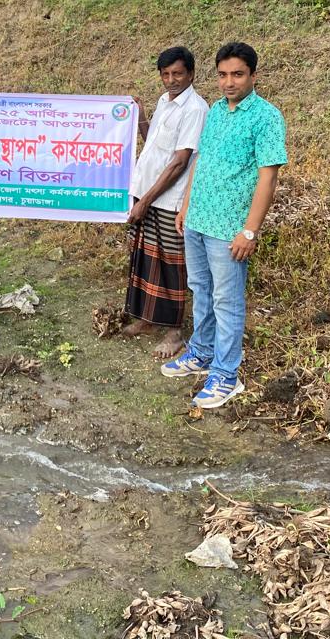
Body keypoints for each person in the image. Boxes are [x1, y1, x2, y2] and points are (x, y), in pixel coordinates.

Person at [162, 42, 287, 409]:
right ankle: (201, 352)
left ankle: (226, 374)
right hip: (198, 220)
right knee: (200, 289)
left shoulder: (266, 117)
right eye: (222, 75)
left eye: (237, 74)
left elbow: (268, 178)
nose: (229, 82)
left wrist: (250, 231)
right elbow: (200, 161)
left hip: (229, 228)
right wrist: (186, 206)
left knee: (226, 301)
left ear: (253, 75)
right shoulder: (215, 111)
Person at [121, 46, 209, 359]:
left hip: (169, 200)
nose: (171, 80)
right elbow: (155, 145)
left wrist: (146, 201)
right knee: (145, 260)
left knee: (172, 265)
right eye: (166, 74)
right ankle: (147, 319)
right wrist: (142, 118)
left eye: (178, 74)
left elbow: (180, 162)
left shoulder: (195, 109)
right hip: (146, 192)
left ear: (191, 74)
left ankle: (174, 331)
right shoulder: (164, 101)